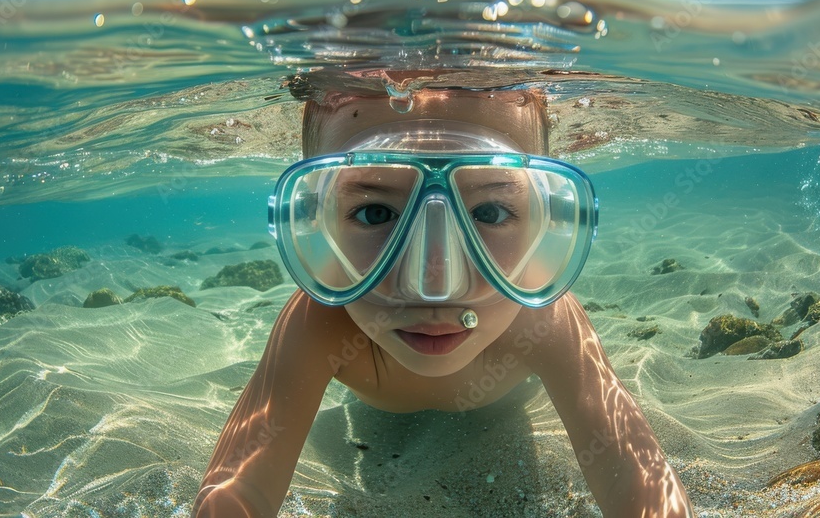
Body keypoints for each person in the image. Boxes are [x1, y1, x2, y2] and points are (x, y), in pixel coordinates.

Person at [192, 87, 693, 517]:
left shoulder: (544, 320)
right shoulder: (319, 324)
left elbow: (635, 478)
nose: (436, 284)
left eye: (491, 211)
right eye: (373, 213)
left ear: (544, 224)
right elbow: (243, 488)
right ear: (318, 223)